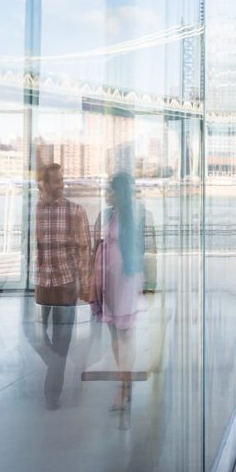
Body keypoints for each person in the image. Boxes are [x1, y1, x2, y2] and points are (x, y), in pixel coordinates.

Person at [34, 163, 91, 409]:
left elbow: (84, 251)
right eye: (56, 181)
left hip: (66, 283)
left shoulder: (75, 211)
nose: (61, 185)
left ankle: (51, 391)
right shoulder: (36, 210)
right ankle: (55, 367)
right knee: (35, 335)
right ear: (44, 185)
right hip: (42, 283)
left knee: (63, 339)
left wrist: (86, 286)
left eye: (62, 179)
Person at [91, 171, 146, 411]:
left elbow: (136, 251)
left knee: (123, 335)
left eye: (110, 191)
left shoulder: (130, 217)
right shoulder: (111, 215)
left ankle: (123, 389)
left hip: (122, 282)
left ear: (119, 193)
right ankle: (125, 384)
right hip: (110, 281)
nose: (106, 194)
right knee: (116, 335)